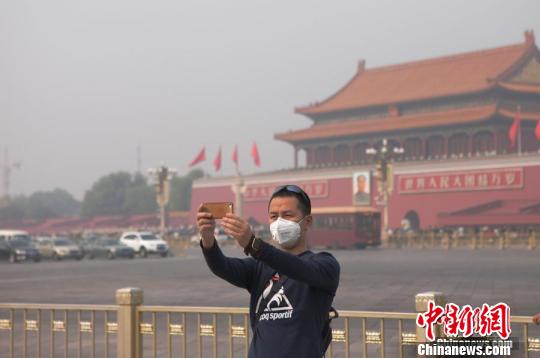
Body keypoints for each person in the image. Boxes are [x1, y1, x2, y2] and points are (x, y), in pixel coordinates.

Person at [197, 184, 340, 358]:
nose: (279, 222)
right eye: (274, 216)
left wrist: (252, 244)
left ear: (307, 221)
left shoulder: (324, 265)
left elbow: (297, 268)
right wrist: (207, 239)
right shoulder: (259, 267)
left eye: (288, 215)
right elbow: (222, 266)